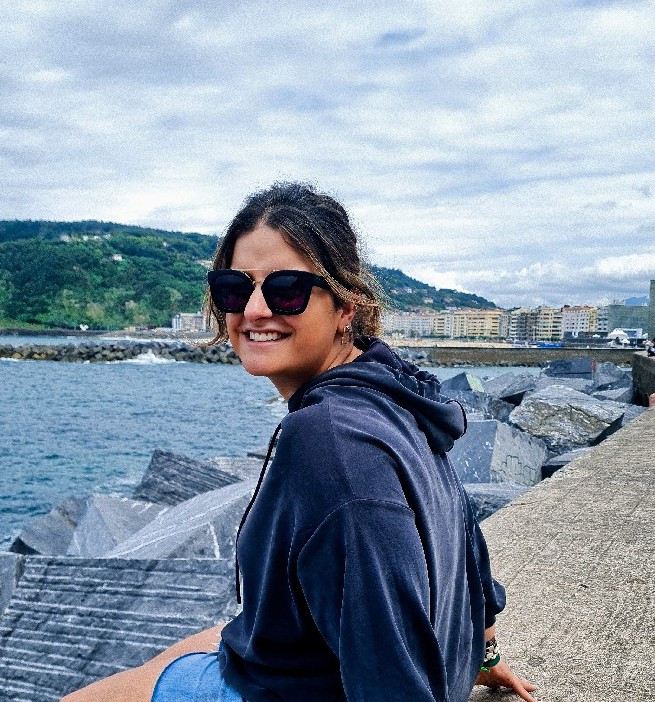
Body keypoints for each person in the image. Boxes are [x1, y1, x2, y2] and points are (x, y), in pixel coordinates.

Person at [62, 182, 536, 702]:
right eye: (233, 289)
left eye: (286, 289)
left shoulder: (327, 438)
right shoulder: (395, 394)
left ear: (345, 307)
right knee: (188, 650)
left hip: (306, 689)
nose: (254, 310)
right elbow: (462, 524)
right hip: (323, 657)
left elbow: (387, 664)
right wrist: (484, 653)